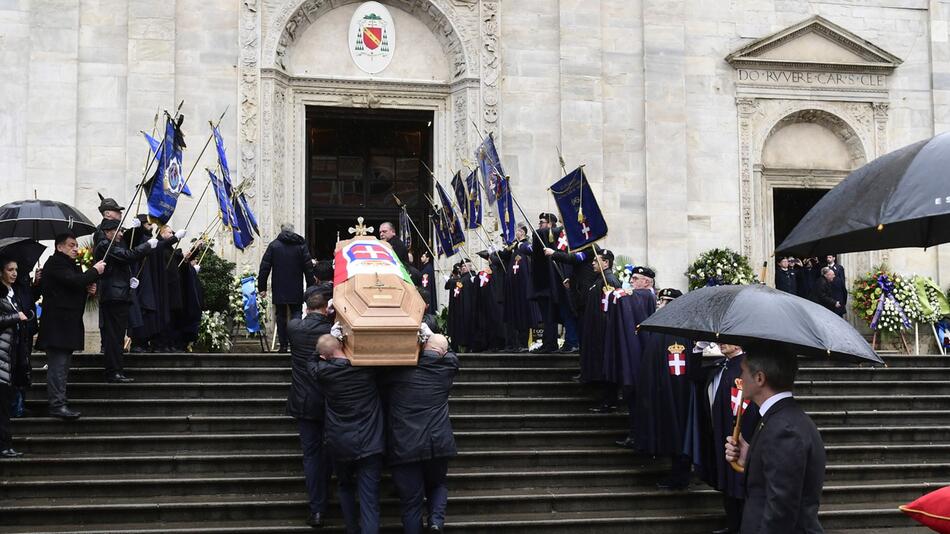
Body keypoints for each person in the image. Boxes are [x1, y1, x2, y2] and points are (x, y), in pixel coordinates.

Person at [725, 346, 825, 533]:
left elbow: (781, 511)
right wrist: (750, 458)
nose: (740, 378)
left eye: (744, 371)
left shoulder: (784, 429)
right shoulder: (780, 418)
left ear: (759, 378)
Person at [379, 334, 459, 533]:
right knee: (438, 484)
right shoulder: (446, 369)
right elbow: (451, 356)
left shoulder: (398, 374)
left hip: (406, 445)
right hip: (437, 443)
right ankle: (436, 522)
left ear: (423, 346)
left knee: (410, 503)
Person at [95, 219, 180, 382]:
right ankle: (113, 371)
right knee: (114, 337)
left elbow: (122, 264)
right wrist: (148, 246)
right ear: (108, 231)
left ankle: (117, 370)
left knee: (118, 336)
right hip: (113, 297)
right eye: (118, 231)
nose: (121, 234)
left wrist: (129, 280)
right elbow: (128, 256)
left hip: (120, 294)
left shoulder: (111, 244)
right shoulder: (104, 245)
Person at [315, 334, 383, 534]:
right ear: (341, 346)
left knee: (345, 487)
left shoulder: (323, 372)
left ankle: (352, 529)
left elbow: (312, 361)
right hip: (370, 442)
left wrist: (325, 349)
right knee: (370, 499)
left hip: (339, 442)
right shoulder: (366, 369)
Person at [633, 288, 698, 489]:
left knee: (678, 435)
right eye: (661, 300)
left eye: (666, 301)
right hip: (663, 391)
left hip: (675, 394)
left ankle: (679, 477)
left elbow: (676, 368)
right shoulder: (664, 327)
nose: (661, 304)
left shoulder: (675, 332)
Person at [36, 232, 106, 419]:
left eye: (76, 245)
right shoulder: (55, 263)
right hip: (57, 326)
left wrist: (87, 289)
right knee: (58, 368)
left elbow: (73, 286)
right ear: (59, 247)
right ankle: (57, 404)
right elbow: (72, 281)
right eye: (71, 245)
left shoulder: (69, 265)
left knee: (63, 367)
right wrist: (95, 271)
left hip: (67, 325)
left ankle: (60, 401)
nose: (76, 248)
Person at [697, 343, 761, 534]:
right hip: (720, 432)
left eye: (727, 339)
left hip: (737, 434)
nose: (721, 342)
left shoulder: (745, 367)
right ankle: (733, 524)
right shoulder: (722, 365)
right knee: (726, 481)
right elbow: (694, 375)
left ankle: (741, 526)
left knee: (737, 483)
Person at [287, 289, 334, 528]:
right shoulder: (331, 331)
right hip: (329, 401)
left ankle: (317, 507)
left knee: (311, 455)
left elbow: (294, 317)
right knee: (328, 451)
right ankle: (326, 490)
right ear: (326, 309)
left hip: (304, 400)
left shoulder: (295, 328)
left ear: (307, 309)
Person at [258, 223, 315, 353]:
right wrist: (311, 287)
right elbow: (308, 268)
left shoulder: (274, 246)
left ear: (281, 231)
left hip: (279, 287)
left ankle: (283, 345)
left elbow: (264, 267)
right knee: (296, 315)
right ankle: (296, 345)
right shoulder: (300, 245)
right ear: (293, 231)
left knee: (281, 316)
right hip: (296, 286)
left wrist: (262, 287)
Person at [579, 250, 622, 413]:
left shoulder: (609, 280)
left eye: (597, 261)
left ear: (606, 263)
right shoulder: (598, 279)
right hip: (596, 329)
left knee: (606, 366)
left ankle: (609, 401)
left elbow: (610, 308)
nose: (592, 263)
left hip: (603, 332)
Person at [0, 257, 32, 457]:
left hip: (12, 358)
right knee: (3, 407)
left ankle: (6, 444)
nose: (14, 273)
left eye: (16, 269)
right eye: (10, 269)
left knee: (6, 405)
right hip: (1, 357)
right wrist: (15, 317)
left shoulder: (14, 293)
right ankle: (4, 445)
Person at [532, 213, 577, 353]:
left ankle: (572, 342)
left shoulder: (563, 233)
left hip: (567, 278)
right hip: (556, 282)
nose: (540, 224)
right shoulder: (557, 233)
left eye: (543, 222)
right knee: (563, 313)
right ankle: (568, 342)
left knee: (570, 312)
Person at [500, 224, 540, 352]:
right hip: (513, 286)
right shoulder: (514, 246)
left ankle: (523, 343)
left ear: (522, 233)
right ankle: (513, 343)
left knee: (523, 314)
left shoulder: (524, 245)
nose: (515, 233)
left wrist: (520, 245)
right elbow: (503, 256)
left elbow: (533, 250)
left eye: (517, 231)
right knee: (513, 315)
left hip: (523, 286)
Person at [418, 251, 437, 315]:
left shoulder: (427, 269)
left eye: (423, 257)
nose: (421, 258)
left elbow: (425, 283)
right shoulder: (426, 267)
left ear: (427, 258)